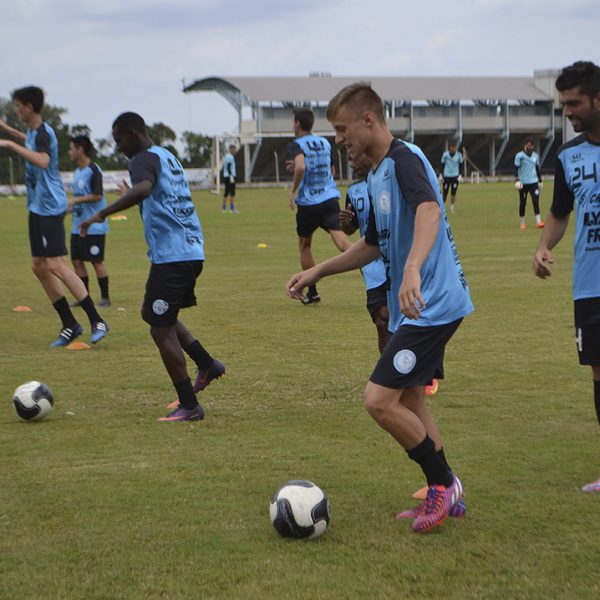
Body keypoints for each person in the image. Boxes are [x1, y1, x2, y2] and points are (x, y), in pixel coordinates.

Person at [287, 82, 473, 532]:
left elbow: (429, 210)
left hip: (432, 304)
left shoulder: (405, 160)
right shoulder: (376, 173)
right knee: (410, 399)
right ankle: (448, 493)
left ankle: (443, 485)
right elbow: (372, 244)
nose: (338, 139)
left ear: (368, 120)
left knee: (378, 400)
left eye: (342, 128)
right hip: (418, 305)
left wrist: (411, 268)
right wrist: (317, 272)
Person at [80, 112, 224, 422]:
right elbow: (157, 194)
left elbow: (144, 188)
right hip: (188, 249)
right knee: (152, 312)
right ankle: (207, 363)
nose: (118, 147)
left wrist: (101, 213)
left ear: (133, 133)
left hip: (174, 256)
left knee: (161, 329)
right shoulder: (165, 156)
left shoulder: (141, 159)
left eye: (119, 140)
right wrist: (132, 195)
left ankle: (189, 405)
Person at [533, 60, 600, 494]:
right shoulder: (568, 155)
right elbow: (560, 213)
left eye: (574, 103)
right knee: (599, 375)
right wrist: (543, 247)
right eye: (564, 104)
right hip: (590, 286)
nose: (568, 111)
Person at [0, 86, 108, 347]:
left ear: (28, 106)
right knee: (38, 266)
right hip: (36, 207)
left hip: (50, 207)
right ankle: (70, 324)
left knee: (57, 265)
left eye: (17, 106)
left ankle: (97, 319)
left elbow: (44, 161)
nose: (16, 111)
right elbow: (27, 141)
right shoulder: (32, 132)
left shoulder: (45, 133)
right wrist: (6, 130)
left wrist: (10, 144)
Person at [288, 107, 352, 304]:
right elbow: (331, 170)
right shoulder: (324, 142)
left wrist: (293, 190)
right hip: (330, 198)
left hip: (309, 203)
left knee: (305, 246)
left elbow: (300, 166)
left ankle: (312, 292)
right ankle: (372, 270)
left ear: (297, 123)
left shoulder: (297, 144)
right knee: (342, 242)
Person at [339, 154, 389, 353]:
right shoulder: (353, 190)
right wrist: (345, 223)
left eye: (355, 157)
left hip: (395, 256)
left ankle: (417, 371)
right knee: (380, 318)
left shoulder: (388, 179)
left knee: (401, 317)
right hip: (371, 264)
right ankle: (390, 376)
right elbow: (352, 228)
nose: (351, 162)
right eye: (349, 158)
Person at [67, 135, 111, 307]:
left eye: (71, 148)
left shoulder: (94, 169)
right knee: (77, 261)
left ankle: (105, 298)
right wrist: (67, 210)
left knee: (95, 261)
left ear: (80, 149)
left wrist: (75, 201)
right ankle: (83, 298)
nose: (69, 152)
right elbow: (79, 198)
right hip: (77, 226)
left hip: (94, 226)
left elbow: (97, 195)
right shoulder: (77, 172)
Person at [515, 138, 544, 230]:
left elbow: (537, 169)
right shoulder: (519, 156)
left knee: (536, 201)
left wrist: (540, 180)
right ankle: (522, 223)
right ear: (525, 145)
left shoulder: (535, 156)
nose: (530, 147)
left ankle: (538, 222)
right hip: (523, 183)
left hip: (533, 182)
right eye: (528, 145)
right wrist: (517, 180)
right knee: (523, 203)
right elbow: (516, 169)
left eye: (531, 145)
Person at [440, 141, 463, 214]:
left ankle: (452, 208)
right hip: (447, 176)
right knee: (445, 193)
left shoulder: (459, 155)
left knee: (453, 192)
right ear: (449, 148)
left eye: (454, 147)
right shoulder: (445, 155)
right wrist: (441, 175)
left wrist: (460, 175)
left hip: (455, 176)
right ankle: (442, 207)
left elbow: (461, 165)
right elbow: (442, 165)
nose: (453, 149)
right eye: (452, 147)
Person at [222, 144, 239, 214]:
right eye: (234, 149)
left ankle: (224, 209)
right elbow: (229, 167)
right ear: (231, 149)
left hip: (226, 176)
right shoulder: (230, 157)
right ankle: (232, 209)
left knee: (226, 192)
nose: (235, 151)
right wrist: (231, 176)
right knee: (232, 192)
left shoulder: (226, 156)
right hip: (230, 176)